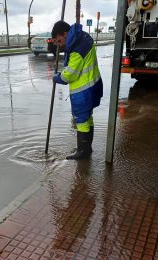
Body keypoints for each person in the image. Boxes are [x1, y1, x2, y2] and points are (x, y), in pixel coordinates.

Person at [52, 20, 103, 160]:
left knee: (81, 119)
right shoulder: (82, 38)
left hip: (84, 90)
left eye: (60, 40)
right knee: (87, 118)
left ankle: (83, 151)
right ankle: (86, 147)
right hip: (92, 84)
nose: (60, 44)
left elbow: (70, 74)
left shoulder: (77, 48)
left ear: (66, 33)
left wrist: (57, 77)